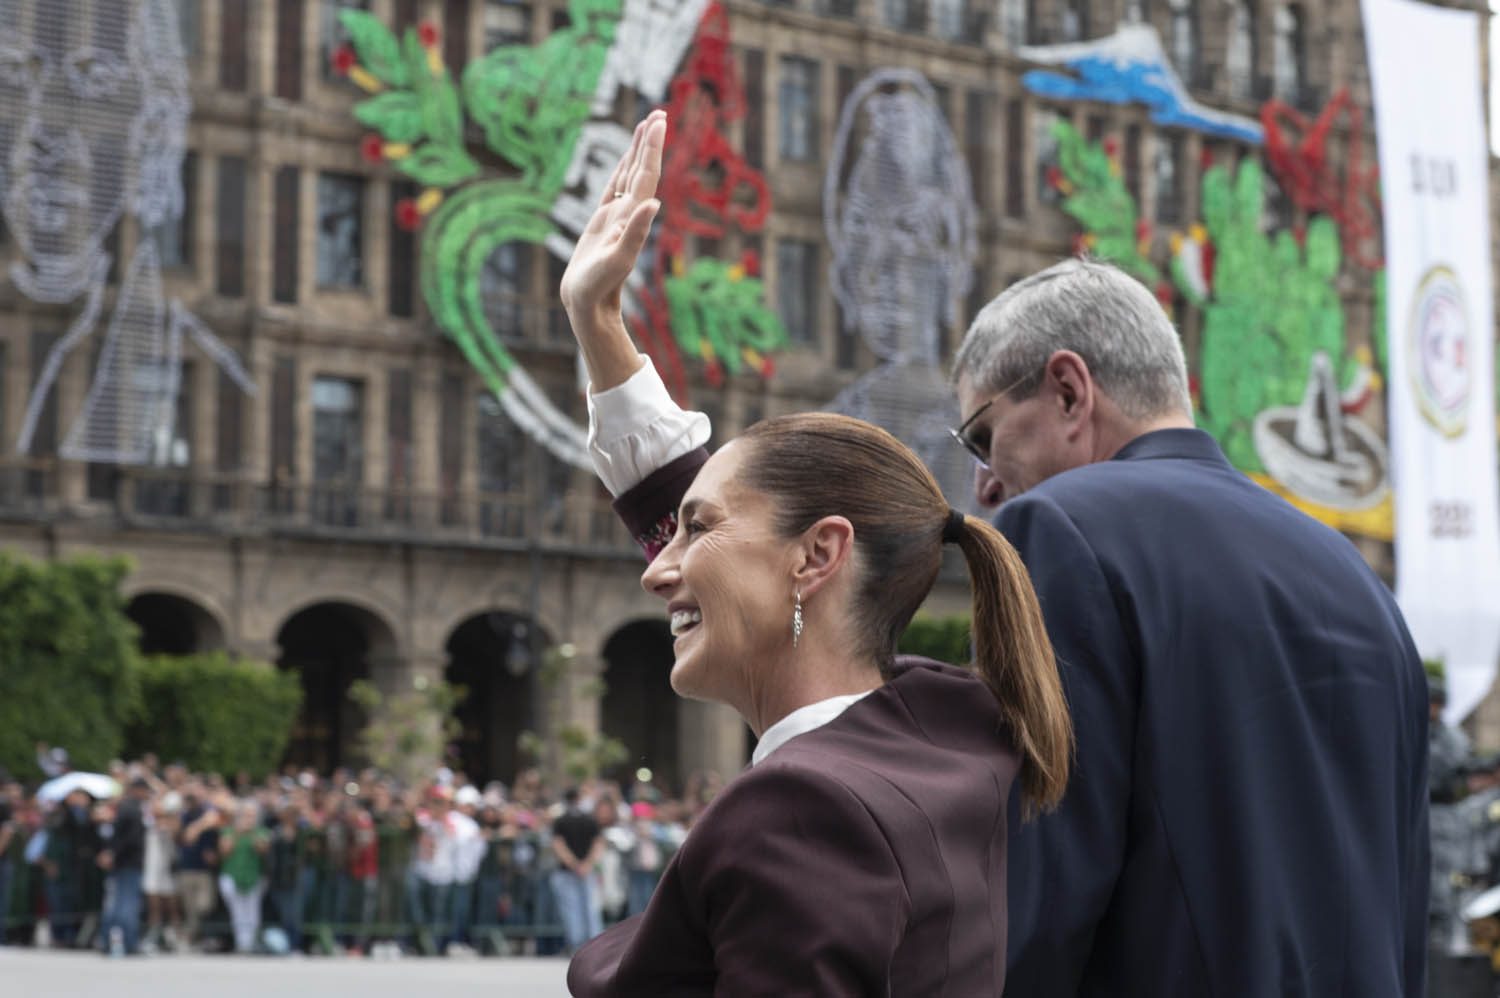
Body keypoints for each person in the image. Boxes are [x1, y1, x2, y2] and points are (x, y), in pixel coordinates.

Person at [558, 110, 1072, 995]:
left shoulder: (802, 809)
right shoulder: (950, 736)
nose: (655, 565)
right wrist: (600, 327)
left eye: (694, 530)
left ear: (819, 557)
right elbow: (755, 532)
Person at [947, 259, 1429, 995]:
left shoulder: (1052, 529)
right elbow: (1404, 899)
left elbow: (1038, 896)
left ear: (1070, 392)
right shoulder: (1350, 573)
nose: (982, 483)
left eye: (983, 436)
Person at [97, 778, 149, 955]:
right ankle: (129, 943)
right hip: (129, 863)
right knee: (127, 906)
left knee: (116, 904)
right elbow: (129, 840)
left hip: (122, 862)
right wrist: (113, 853)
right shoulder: (133, 810)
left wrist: (111, 853)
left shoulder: (125, 809)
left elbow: (117, 837)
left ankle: (105, 940)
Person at [549, 787, 605, 953]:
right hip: (586, 870)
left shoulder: (561, 820)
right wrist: (587, 864)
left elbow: (558, 845)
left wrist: (574, 864)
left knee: (571, 909)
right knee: (591, 907)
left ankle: (577, 946)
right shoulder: (590, 819)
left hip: (567, 871)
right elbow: (598, 844)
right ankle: (596, 945)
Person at [217, 803, 269, 954]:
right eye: (246, 815)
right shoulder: (229, 831)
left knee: (252, 911)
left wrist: (251, 833)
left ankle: (250, 943)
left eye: (252, 816)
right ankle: (241, 944)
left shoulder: (261, 832)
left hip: (254, 877)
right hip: (232, 876)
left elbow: (262, 849)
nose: (248, 819)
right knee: (238, 911)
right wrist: (238, 832)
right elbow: (224, 850)